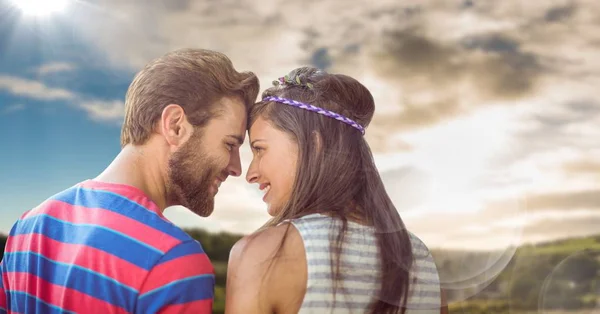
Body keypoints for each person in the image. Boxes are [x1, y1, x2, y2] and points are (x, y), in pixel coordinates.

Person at [0, 48, 259, 314]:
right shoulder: (174, 261)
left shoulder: (28, 227)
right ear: (175, 126)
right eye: (230, 144)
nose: (236, 168)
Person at [225, 67, 447, 313]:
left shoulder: (264, 255)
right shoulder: (420, 258)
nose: (250, 173)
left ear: (314, 144)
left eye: (259, 149)